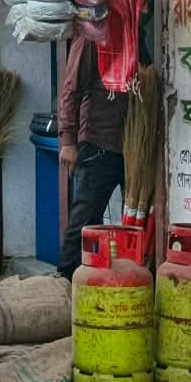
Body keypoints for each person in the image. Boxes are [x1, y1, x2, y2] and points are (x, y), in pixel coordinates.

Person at [56, 32, 131, 277]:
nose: (146, 10)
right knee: (85, 221)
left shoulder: (133, 35)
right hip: (98, 143)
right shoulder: (91, 38)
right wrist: (68, 140)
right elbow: (70, 89)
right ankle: (66, 282)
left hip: (129, 146)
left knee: (131, 222)